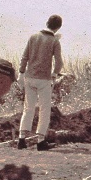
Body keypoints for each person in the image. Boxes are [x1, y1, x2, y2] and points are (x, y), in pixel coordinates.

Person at [17, 14, 64, 151]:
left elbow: (24, 57)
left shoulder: (33, 37)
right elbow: (59, 62)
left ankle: (21, 139)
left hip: (29, 77)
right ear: (58, 27)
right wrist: (54, 75)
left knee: (28, 108)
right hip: (44, 79)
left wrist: (21, 72)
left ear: (47, 22)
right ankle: (40, 141)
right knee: (44, 109)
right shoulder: (54, 41)